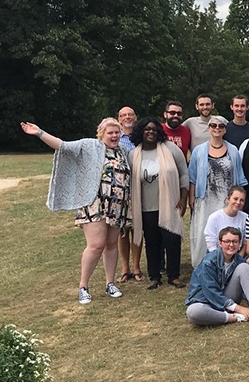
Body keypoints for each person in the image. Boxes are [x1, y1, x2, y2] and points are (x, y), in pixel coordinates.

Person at [21, 118, 131, 304]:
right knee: (96, 244)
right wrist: (39, 133)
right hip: (93, 203)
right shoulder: (89, 146)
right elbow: (62, 146)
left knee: (112, 244)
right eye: (110, 132)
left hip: (117, 206)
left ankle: (110, 283)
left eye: (117, 132)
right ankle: (83, 286)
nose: (114, 136)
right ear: (101, 133)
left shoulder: (123, 151)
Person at [128, 118, 189, 290]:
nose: (151, 132)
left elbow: (184, 174)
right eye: (147, 129)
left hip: (170, 204)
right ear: (141, 131)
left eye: (154, 129)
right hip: (146, 207)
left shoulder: (170, 149)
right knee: (152, 242)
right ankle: (154, 276)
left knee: (172, 239)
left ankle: (173, 275)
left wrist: (183, 198)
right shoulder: (134, 154)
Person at [185, 227, 249, 329]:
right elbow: (211, 292)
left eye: (235, 241)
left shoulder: (239, 260)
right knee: (193, 312)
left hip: (227, 298)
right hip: (206, 300)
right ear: (220, 243)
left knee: (244, 267)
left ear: (240, 244)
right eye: (227, 241)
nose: (231, 245)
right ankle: (233, 317)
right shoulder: (209, 262)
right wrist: (239, 309)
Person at [189, 115, 247, 268]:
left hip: (227, 200)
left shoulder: (233, 150)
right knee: (203, 232)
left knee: (226, 233)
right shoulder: (198, 151)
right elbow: (193, 177)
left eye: (220, 126)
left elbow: (239, 178)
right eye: (213, 126)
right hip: (205, 198)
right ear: (209, 128)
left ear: (225, 129)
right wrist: (191, 197)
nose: (217, 129)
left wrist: (238, 200)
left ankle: (227, 264)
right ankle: (202, 266)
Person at [116, 106, 144, 283]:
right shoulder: (115, 137)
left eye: (130, 114)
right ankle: (125, 267)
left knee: (137, 228)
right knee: (122, 230)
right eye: (123, 115)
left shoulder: (141, 137)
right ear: (119, 119)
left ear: (135, 117)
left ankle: (136, 266)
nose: (127, 117)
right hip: (120, 188)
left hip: (140, 187)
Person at [203, 186, 248, 253]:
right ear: (228, 199)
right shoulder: (214, 217)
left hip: (237, 254)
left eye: (242, 200)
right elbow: (211, 244)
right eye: (235, 199)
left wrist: (238, 259)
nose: (238, 202)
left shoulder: (246, 217)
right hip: (217, 253)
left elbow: (245, 242)